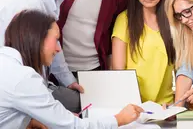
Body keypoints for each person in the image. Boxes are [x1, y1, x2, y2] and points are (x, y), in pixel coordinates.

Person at [0, 0, 105, 113]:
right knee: (83, 109)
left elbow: (52, 47)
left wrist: (68, 81)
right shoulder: (31, 2)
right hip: (18, 92)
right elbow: (26, 72)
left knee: (84, 102)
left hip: (37, 83)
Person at [0, 9, 143, 129]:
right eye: (55, 39)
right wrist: (119, 119)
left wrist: (31, 121)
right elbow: (74, 127)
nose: (58, 49)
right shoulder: (23, 78)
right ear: (37, 38)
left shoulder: (6, 63)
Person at [112, 0, 175, 104]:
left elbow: (181, 69)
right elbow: (118, 72)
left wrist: (177, 105)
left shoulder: (174, 21)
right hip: (134, 104)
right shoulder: (124, 20)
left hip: (166, 106)